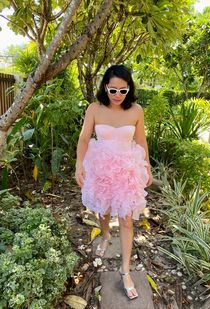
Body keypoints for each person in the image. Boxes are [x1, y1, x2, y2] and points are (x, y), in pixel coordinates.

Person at [75, 64, 153, 300]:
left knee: (128, 220)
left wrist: (147, 166)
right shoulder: (94, 109)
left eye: (123, 90)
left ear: (129, 89)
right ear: (105, 88)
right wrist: (79, 164)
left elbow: (141, 141)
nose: (118, 95)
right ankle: (106, 235)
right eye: (113, 90)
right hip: (101, 167)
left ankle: (125, 270)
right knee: (104, 211)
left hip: (127, 169)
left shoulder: (136, 110)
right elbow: (84, 138)